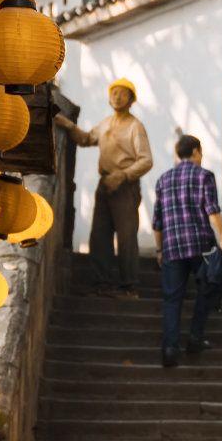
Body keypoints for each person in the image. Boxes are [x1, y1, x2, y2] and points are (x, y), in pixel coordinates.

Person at [56, 80, 153, 297]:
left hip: (125, 186)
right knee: (99, 236)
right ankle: (103, 284)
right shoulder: (106, 123)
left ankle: (129, 286)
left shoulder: (135, 126)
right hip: (105, 184)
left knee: (127, 237)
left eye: (122, 94)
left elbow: (146, 160)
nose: (117, 97)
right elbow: (87, 139)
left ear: (131, 100)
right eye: (114, 93)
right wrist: (69, 126)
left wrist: (124, 175)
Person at [152, 132, 222, 369]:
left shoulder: (163, 179)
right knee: (210, 285)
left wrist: (159, 249)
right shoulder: (204, 175)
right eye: (201, 153)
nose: (201, 157)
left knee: (171, 298)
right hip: (200, 245)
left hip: (172, 247)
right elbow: (212, 210)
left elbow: (158, 221)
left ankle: (170, 349)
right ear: (195, 151)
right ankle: (195, 337)